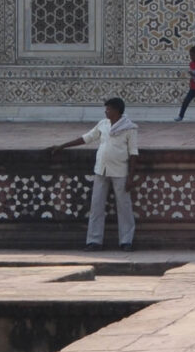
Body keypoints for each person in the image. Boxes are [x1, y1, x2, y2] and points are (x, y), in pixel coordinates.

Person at [50, 96, 138, 250]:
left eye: (109, 109)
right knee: (96, 205)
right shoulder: (103, 124)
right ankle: (94, 241)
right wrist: (63, 146)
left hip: (120, 171)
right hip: (101, 169)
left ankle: (126, 241)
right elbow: (86, 138)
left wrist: (130, 177)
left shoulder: (129, 128)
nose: (106, 111)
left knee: (124, 207)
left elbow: (133, 153)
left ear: (117, 110)